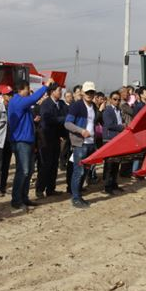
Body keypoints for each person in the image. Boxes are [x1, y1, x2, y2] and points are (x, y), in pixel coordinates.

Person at [8, 78, 53, 211]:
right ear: (21, 89)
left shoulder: (21, 102)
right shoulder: (17, 101)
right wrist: (45, 86)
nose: (29, 91)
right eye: (28, 89)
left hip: (27, 140)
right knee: (23, 171)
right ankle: (16, 200)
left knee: (28, 171)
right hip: (21, 141)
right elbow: (34, 98)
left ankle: (24, 197)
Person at [65, 81, 98, 209]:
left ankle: (79, 195)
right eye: (87, 92)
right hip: (80, 144)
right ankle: (75, 198)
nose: (89, 94)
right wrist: (81, 131)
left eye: (91, 92)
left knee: (85, 172)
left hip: (91, 143)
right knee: (78, 171)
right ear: (83, 92)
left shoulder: (93, 106)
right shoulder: (77, 106)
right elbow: (68, 123)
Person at [36, 83, 67, 198]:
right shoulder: (46, 104)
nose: (61, 92)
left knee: (54, 164)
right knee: (46, 164)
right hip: (46, 138)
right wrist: (63, 119)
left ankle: (51, 189)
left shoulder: (62, 104)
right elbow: (48, 119)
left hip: (56, 137)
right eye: (59, 90)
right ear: (52, 91)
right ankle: (40, 189)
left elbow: (67, 114)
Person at [102, 90, 125, 195]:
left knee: (116, 163)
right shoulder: (107, 110)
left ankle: (114, 184)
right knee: (109, 164)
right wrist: (122, 127)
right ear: (110, 100)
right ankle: (107, 186)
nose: (117, 101)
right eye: (115, 99)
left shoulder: (119, 110)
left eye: (119, 100)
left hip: (118, 139)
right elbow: (109, 125)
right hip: (109, 140)